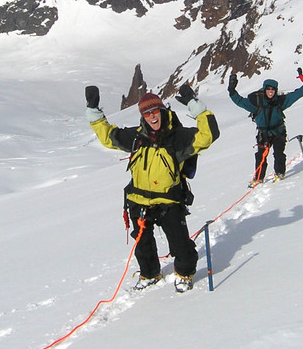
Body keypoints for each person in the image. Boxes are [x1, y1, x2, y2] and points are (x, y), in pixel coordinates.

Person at [85, 83, 219, 292]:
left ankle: (184, 273)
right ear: (142, 117)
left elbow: (208, 134)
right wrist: (94, 111)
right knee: (142, 244)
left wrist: (195, 105)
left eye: (155, 111)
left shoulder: (178, 137)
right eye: (147, 114)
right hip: (138, 200)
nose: (152, 117)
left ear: (162, 110)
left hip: (168, 200)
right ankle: (150, 273)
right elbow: (108, 137)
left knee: (180, 244)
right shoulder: (137, 137)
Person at [229, 68, 303, 184]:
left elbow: (297, 95)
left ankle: (280, 173)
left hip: (279, 132)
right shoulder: (257, 103)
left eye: (273, 90)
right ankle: (259, 177)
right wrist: (231, 90)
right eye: (268, 89)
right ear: (264, 89)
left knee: (279, 153)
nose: (271, 92)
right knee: (261, 155)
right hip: (263, 134)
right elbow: (240, 101)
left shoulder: (280, 102)